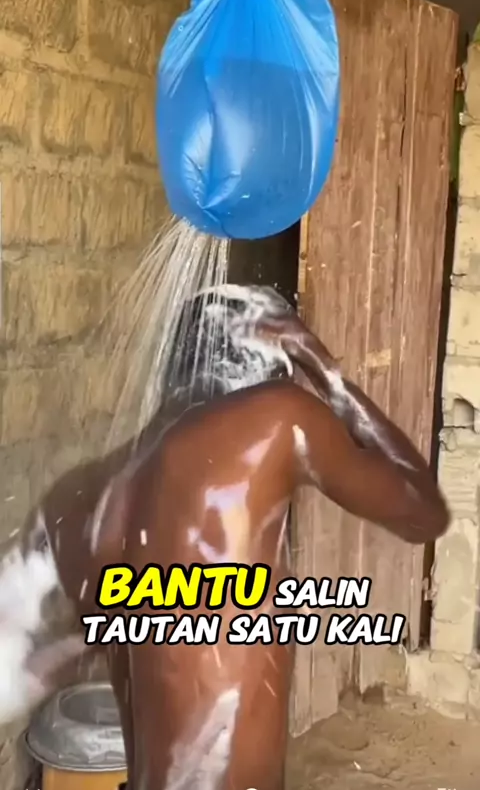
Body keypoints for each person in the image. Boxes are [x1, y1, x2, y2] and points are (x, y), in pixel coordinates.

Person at [0, 285, 449, 790]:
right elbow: (423, 513)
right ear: (272, 362)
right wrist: (321, 365)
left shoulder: (82, 499)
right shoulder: (273, 418)